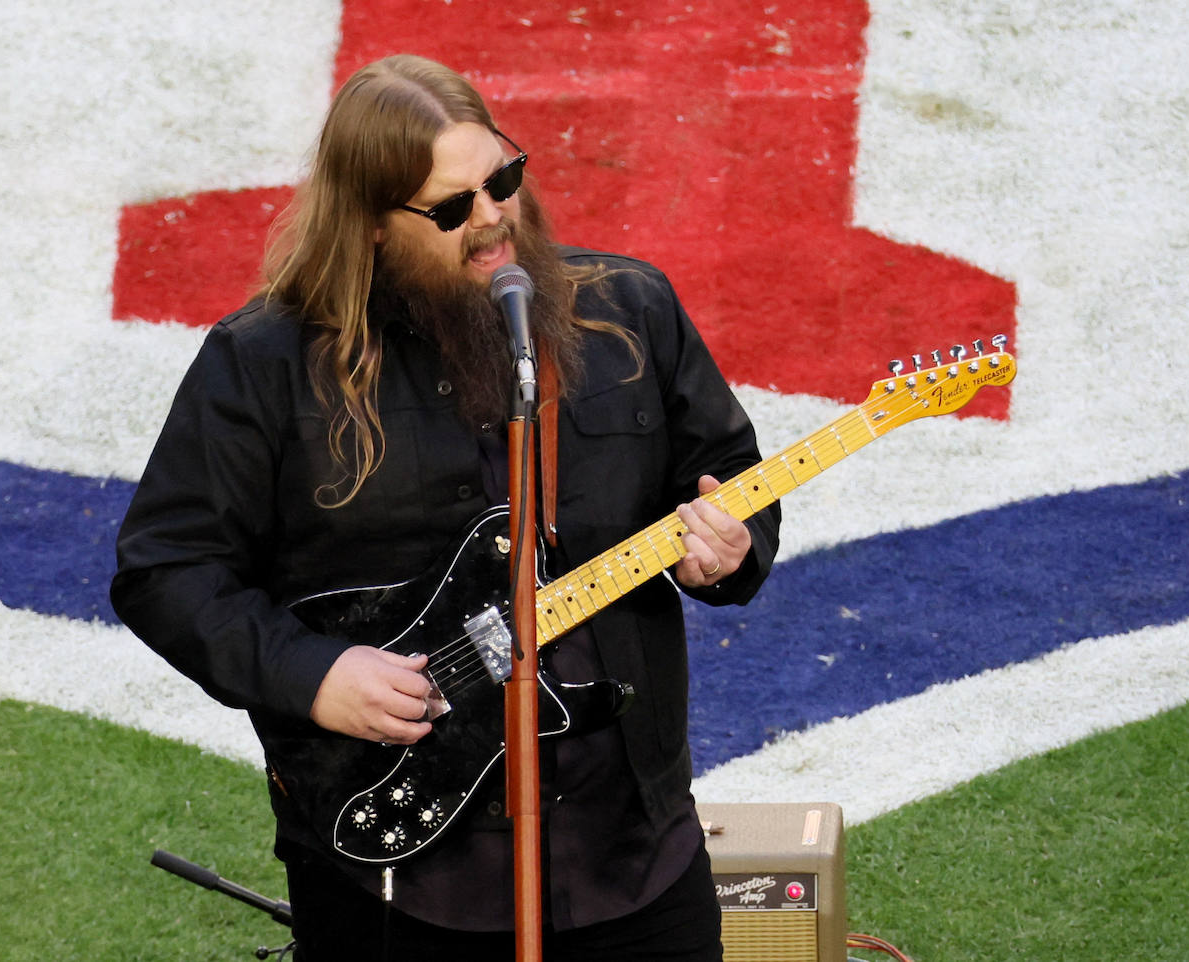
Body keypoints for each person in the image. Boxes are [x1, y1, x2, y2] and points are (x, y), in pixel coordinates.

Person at [111, 54, 781, 961]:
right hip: (390, 877)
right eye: (452, 207)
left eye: (502, 178)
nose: (493, 216)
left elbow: (728, 475)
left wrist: (732, 550)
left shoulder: (631, 311)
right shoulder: (264, 366)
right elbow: (166, 570)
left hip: (630, 839)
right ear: (373, 227)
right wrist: (311, 673)